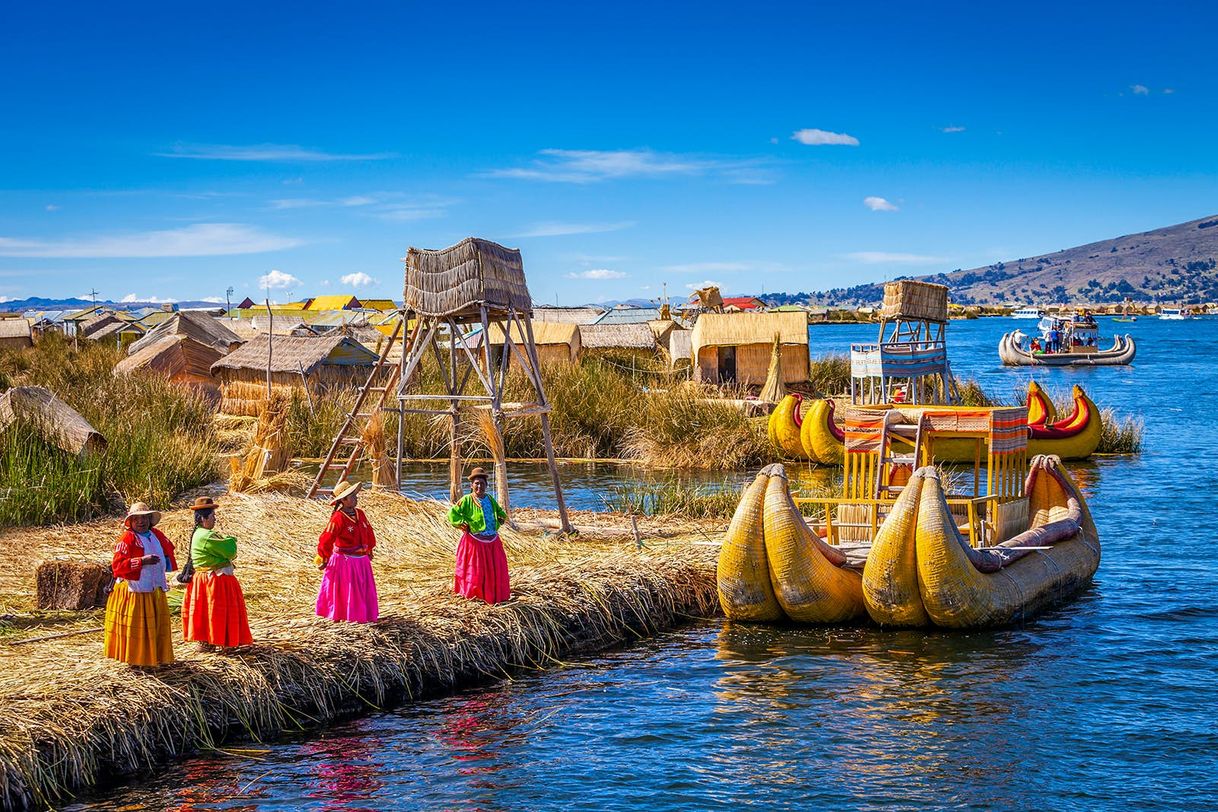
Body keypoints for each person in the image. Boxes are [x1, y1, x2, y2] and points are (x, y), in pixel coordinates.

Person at [104, 502, 177, 667]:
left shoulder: (156, 535)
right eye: (136, 519)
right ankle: (137, 660)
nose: (141, 522)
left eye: (144, 518)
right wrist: (142, 561)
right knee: (139, 627)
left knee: (154, 625)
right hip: (136, 590)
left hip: (154, 588)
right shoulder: (127, 538)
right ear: (130, 522)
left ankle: (154, 657)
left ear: (150, 519)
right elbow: (117, 566)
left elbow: (168, 554)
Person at [182, 496, 252, 649]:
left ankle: (208, 642)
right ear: (203, 518)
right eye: (213, 516)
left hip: (207, 579)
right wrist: (230, 539)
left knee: (208, 612)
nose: (215, 519)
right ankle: (221, 642)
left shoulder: (200, 534)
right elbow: (231, 551)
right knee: (217, 613)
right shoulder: (207, 536)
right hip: (214, 581)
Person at [315, 480, 379, 623]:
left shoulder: (360, 514)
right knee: (347, 590)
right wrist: (323, 557)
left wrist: (369, 549)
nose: (356, 498)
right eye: (352, 496)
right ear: (343, 500)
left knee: (362, 590)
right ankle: (345, 615)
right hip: (345, 562)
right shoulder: (338, 518)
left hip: (361, 561)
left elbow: (368, 531)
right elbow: (327, 538)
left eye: (355, 495)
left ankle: (363, 616)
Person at [448, 467, 510, 604]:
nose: (479, 486)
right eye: (476, 483)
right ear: (471, 485)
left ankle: (492, 595)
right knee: (475, 570)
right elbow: (452, 514)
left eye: (482, 483)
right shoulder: (466, 500)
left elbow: (500, 512)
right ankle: (475, 594)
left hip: (492, 540)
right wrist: (462, 524)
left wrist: (500, 520)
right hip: (475, 542)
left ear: (486, 485)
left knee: (494, 570)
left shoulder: (490, 499)